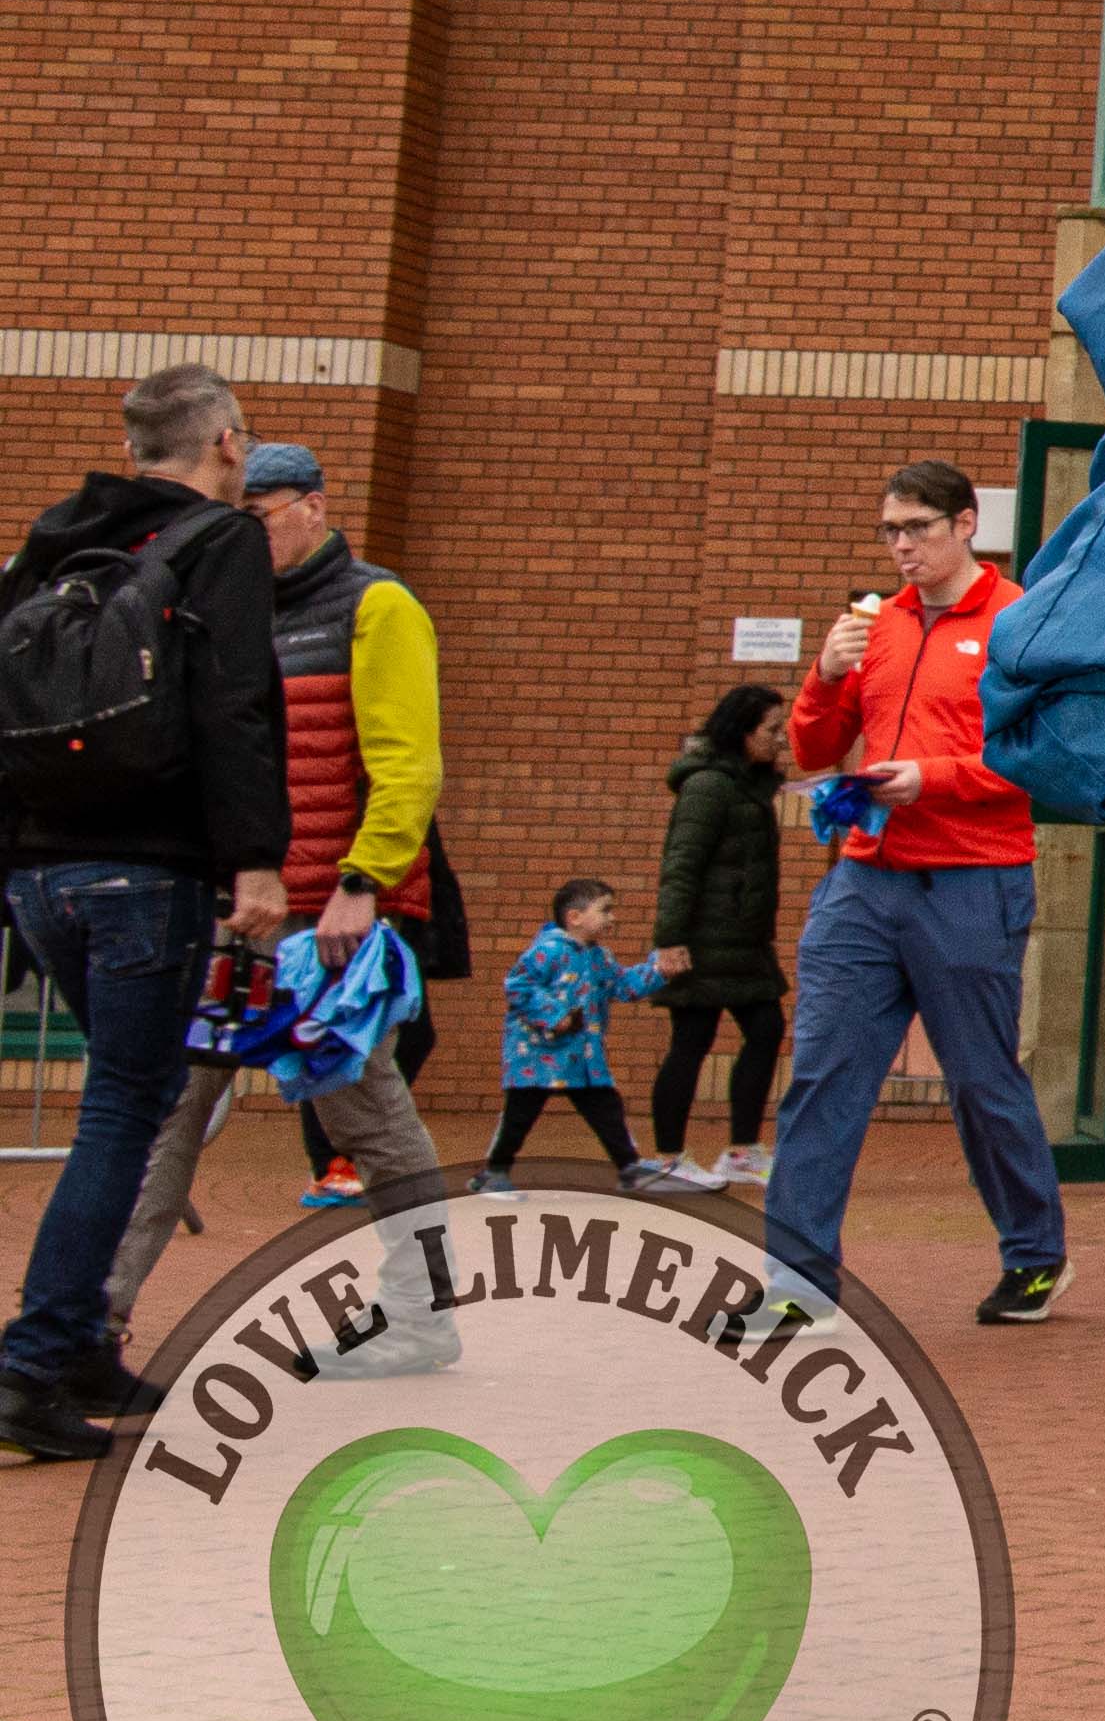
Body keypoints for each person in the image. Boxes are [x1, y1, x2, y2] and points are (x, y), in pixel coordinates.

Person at [0, 365, 290, 1464]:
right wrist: (255, 861)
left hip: (41, 876)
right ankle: (30, 1366)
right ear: (225, 442)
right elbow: (235, 704)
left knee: (137, 1094)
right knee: (124, 1109)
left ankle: (78, 1348)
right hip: (147, 874)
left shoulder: (54, 538)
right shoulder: (222, 541)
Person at [765, 459, 1069, 1326]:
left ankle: (1035, 1255)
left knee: (979, 1081)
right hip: (864, 880)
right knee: (822, 1076)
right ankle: (797, 1283)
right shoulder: (877, 625)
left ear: (966, 524)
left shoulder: (1018, 621)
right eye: (890, 530)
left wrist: (929, 778)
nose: (902, 546)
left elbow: (1039, 757)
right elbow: (815, 748)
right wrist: (825, 674)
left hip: (972, 879)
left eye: (918, 528)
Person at [242, 440, 459, 1204]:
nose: (247, 537)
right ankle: (103, 1279)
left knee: (364, 1105)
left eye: (258, 516)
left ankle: (426, 1272)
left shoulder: (378, 603)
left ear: (314, 506)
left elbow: (408, 766)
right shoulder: (242, 612)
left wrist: (362, 883)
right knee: (168, 1105)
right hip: (250, 900)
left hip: (331, 909)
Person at [647, 681, 792, 1187]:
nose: (781, 738)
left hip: (744, 943)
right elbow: (681, 864)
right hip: (703, 941)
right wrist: (670, 940)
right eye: (772, 729)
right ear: (742, 731)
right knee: (691, 1041)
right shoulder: (707, 786)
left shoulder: (749, 785)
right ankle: (668, 1159)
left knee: (766, 1030)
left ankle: (741, 1151)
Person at [482, 876, 678, 1191]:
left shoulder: (599, 957)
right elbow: (518, 985)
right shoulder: (547, 951)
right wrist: (554, 1015)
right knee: (520, 1113)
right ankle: (495, 1171)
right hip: (536, 1055)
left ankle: (629, 1167)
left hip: (582, 1056)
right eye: (605, 910)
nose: (612, 918)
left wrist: (657, 970)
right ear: (574, 917)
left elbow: (623, 985)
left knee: (606, 1108)